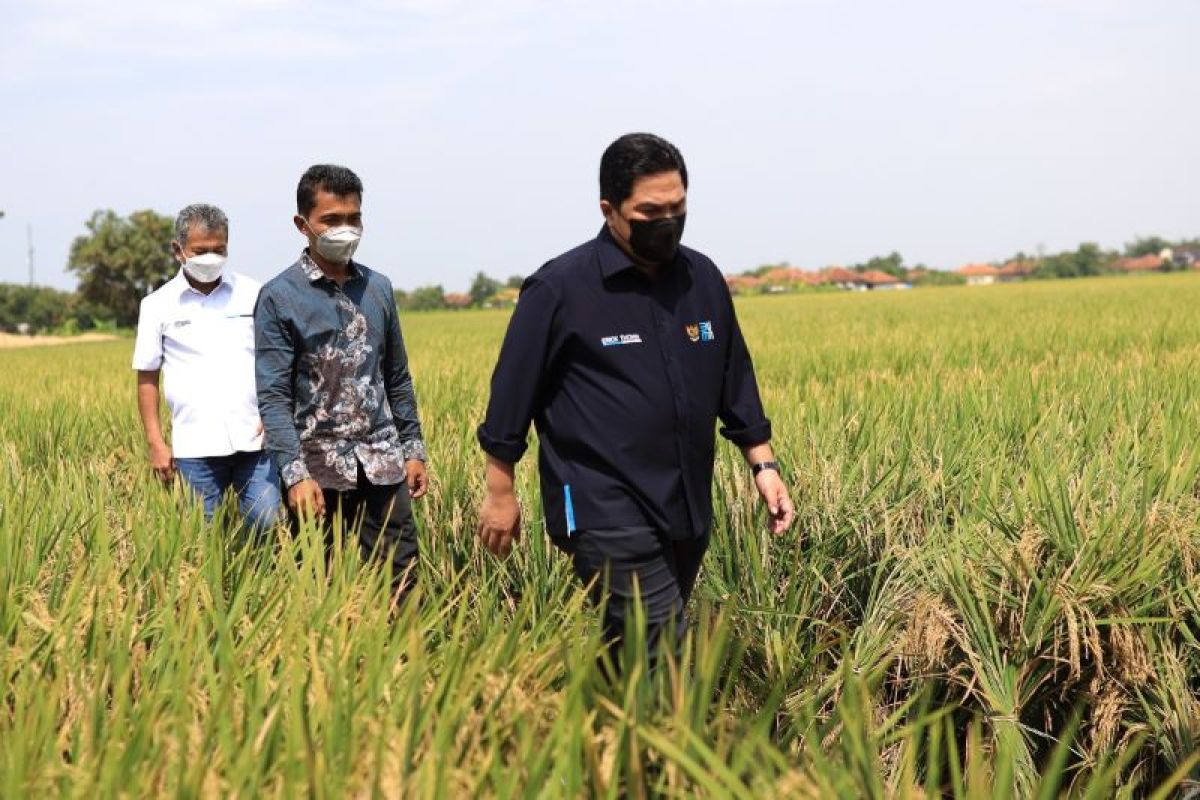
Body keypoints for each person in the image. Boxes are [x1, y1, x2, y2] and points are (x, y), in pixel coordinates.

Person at [476, 133, 795, 667]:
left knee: (632, 652)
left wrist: (763, 463)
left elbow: (733, 376)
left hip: (685, 504)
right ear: (610, 210)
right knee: (663, 652)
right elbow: (511, 394)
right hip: (602, 505)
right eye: (650, 211)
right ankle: (674, 745)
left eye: (677, 208)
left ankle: (600, 736)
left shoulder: (703, 279)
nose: (666, 221)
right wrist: (499, 491)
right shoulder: (560, 289)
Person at [254, 164, 428, 599]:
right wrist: (294, 475)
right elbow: (272, 396)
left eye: (353, 218)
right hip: (317, 471)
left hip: (383, 463)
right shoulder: (279, 296)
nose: (344, 229)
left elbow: (397, 377)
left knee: (401, 584)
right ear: (303, 224)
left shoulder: (379, 288)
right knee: (320, 591)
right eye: (331, 220)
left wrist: (413, 449)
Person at [132, 203, 281, 535]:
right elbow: (147, 376)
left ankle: (263, 585)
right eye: (200, 251)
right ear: (178, 251)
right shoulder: (157, 306)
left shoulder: (255, 294)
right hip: (194, 445)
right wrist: (156, 443)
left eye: (219, 249)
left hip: (256, 441)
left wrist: (276, 415)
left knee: (266, 523)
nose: (210, 258)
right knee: (199, 536)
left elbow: (277, 360)